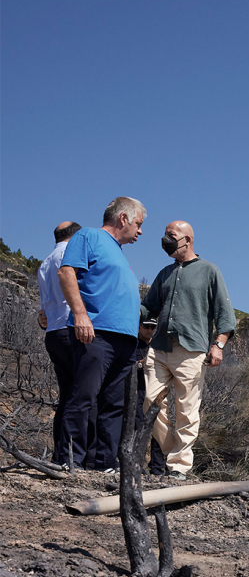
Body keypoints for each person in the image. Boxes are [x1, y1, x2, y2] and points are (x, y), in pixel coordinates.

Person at [141, 221, 236, 480]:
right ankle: (175, 451)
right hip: (159, 348)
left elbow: (225, 315)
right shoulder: (164, 274)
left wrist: (218, 346)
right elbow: (148, 309)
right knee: (149, 402)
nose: (165, 240)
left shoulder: (209, 271)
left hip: (192, 350)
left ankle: (180, 467)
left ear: (188, 239)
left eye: (171, 236)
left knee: (186, 410)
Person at [58, 197, 145, 471]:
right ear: (123, 218)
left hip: (125, 340)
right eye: (138, 224)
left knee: (114, 403)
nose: (140, 231)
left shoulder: (119, 252)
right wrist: (81, 314)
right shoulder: (89, 236)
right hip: (97, 333)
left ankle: (104, 463)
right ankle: (70, 461)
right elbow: (66, 272)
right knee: (83, 396)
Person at [37, 221, 82, 463]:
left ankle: (61, 453)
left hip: (53, 332)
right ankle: (74, 455)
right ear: (76, 236)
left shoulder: (44, 262)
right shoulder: (69, 255)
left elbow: (43, 308)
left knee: (66, 395)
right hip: (71, 328)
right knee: (82, 394)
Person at [133, 319, 166, 477]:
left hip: (157, 391)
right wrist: (142, 364)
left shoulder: (159, 346)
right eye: (146, 326)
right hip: (139, 390)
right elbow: (128, 366)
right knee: (139, 427)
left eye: (153, 327)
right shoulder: (132, 344)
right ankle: (136, 464)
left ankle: (158, 467)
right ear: (139, 327)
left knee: (159, 428)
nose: (149, 330)